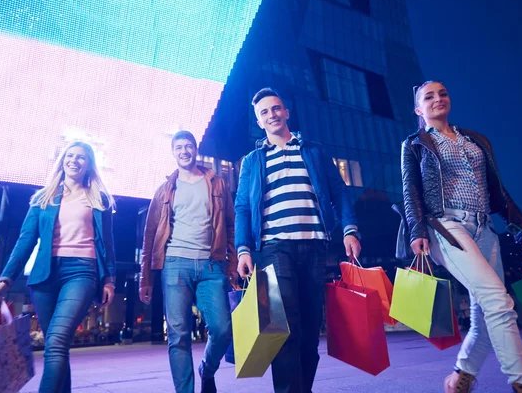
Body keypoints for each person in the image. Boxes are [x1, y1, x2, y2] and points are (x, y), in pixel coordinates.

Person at [401, 80, 522, 393]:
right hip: (446, 226)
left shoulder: (476, 140)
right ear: (418, 109)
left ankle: (460, 379)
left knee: (484, 314)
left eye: (443, 93)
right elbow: (410, 192)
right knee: (498, 301)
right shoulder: (414, 144)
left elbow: (498, 192)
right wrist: (417, 230)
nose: (438, 99)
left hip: (485, 229)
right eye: (429, 96)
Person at [235, 88, 361, 393]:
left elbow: (339, 192)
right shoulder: (253, 160)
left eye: (276, 108)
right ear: (259, 121)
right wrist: (243, 250)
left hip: (315, 245)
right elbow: (242, 206)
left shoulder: (313, 150)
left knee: (308, 329)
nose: (272, 115)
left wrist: (350, 229)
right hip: (274, 249)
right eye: (264, 112)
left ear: (286, 112)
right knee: (283, 327)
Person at [0, 141, 116, 393]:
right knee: (57, 346)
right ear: (62, 160)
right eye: (70, 155)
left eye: (81, 157)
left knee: (55, 342)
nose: (74, 160)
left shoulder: (98, 200)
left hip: (82, 271)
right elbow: (25, 241)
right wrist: (6, 280)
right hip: (45, 276)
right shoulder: (43, 199)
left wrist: (109, 279)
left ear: (89, 164)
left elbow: (107, 244)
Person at [138, 130, 238, 393]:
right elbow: (149, 237)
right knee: (178, 335)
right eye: (179, 147)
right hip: (174, 266)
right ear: (173, 152)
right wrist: (145, 279)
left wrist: (232, 262)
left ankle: (207, 368)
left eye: (189, 146)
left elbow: (230, 224)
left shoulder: (217, 183)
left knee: (222, 329)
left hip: (210, 264)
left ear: (196, 149)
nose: (184, 151)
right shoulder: (164, 190)